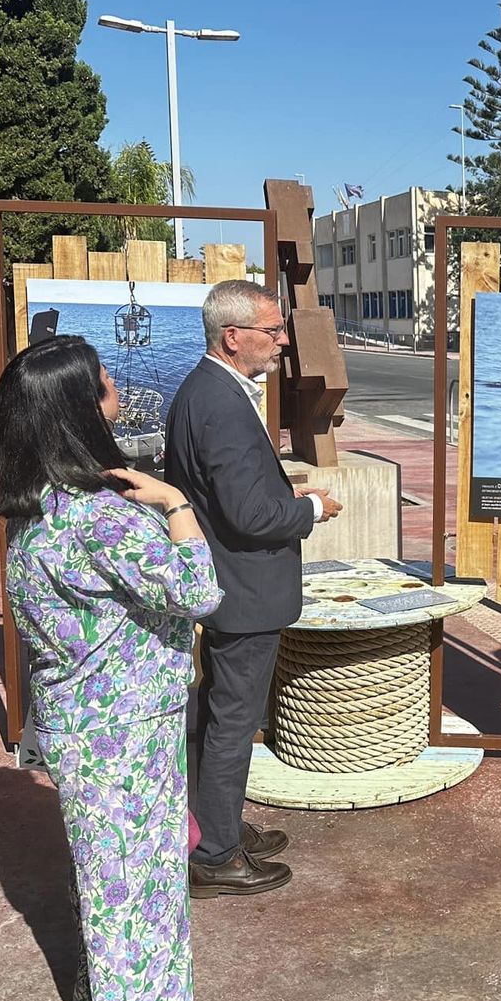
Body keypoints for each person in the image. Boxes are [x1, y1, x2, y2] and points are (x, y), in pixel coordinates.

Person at [0, 334, 222, 1001]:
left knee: (108, 878)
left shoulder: (38, 505)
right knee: (140, 899)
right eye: (105, 381)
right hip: (128, 728)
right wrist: (176, 503)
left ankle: (96, 1000)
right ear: (81, 407)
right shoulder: (103, 518)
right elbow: (199, 592)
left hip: (82, 722)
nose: (115, 389)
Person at [165, 279, 341, 897]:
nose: (283, 340)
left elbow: (224, 494)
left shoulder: (205, 389)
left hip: (229, 585)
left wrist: (281, 493)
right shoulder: (220, 401)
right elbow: (248, 516)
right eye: (273, 330)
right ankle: (214, 855)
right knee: (232, 722)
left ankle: (213, 827)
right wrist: (311, 509)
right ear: (233, 336)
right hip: (244, 593)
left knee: (220, 714)